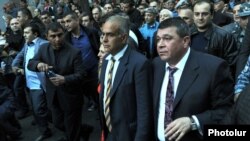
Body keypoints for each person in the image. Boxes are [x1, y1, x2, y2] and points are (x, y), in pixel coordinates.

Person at [152, 17, 234, 141]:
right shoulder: (155, 65)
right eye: (158, 39)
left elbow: (226, 111)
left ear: (185, 41)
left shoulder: (214, 68)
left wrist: (193, 122)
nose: (160, 44)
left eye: (167, 39)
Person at [27, 22, 85, 141]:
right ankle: (84, 130)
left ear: (64, 34)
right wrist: (38, 64)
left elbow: (82, 74)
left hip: (71, 97)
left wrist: (65, 79)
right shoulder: (43, 48)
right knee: (58, 123)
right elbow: (30, 63)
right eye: (53, 36)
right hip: (53, 96)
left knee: (71, 132)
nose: (57, 39)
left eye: (60, 35)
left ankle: (75, 134)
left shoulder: (74, 52)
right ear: (46, 37)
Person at [99, 14, 153, 141]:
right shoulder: (106, 59)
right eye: (103, 34)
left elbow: (144, 109)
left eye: (110, 35)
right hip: (109, 132)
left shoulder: (140, 63)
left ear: (123, 38)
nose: (104, 39)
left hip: (129, 134)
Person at [12, 23, 52, 141]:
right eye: (23, 33)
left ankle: (46, 131)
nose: (24, 35)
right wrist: (15, 65)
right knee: (38, 108)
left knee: (40, 109)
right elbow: (20, 56)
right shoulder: (26, 44)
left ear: (35, 34)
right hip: (29, 82)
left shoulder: (44, 44)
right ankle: (45, 126)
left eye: (27, 32)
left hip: (41, 82)